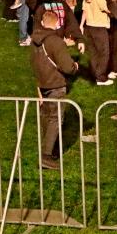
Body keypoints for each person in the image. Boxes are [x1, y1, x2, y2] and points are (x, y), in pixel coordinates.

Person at [30, 10, 81, 170]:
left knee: (47, 117)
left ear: (42, 23)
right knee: (55, 119)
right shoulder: (56, 41)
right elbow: (67, 67)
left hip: (42, 83)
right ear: (58, 23)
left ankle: (49, 150)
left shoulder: (34, 40)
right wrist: (75, 67)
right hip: (55, 84)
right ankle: (46, 156)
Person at [81, 0, 112, 86]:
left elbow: (84, 11)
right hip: (99, 28)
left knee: (94, 53)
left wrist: (81, 25)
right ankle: (101, 77)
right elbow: (107, 9)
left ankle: (95, 74)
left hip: (89, 27)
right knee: (104, 53)